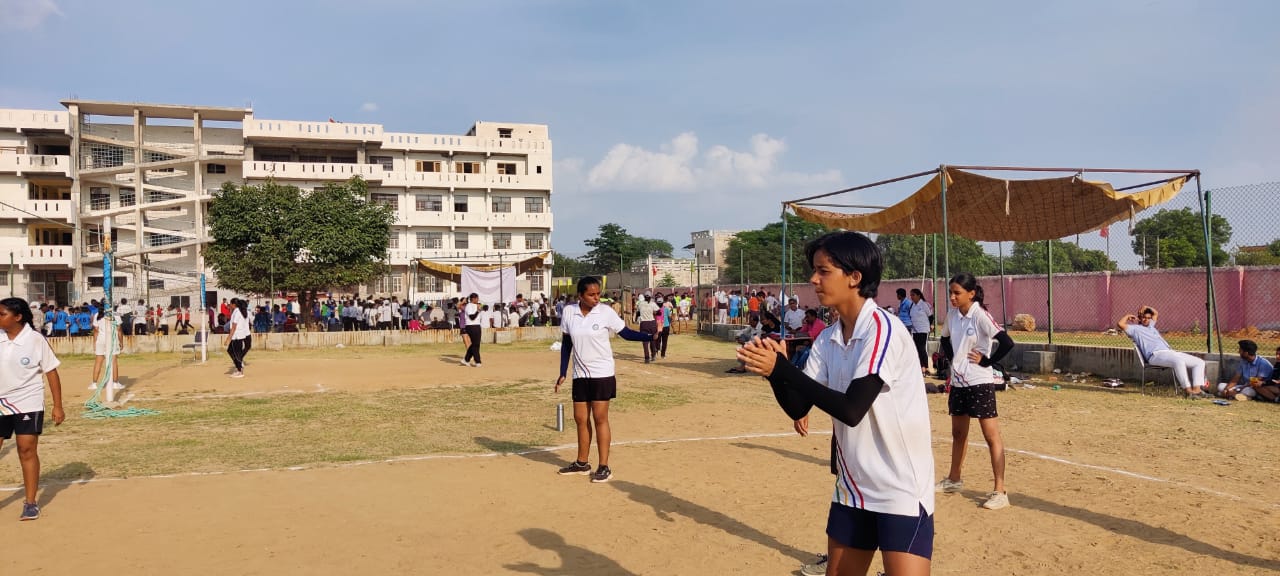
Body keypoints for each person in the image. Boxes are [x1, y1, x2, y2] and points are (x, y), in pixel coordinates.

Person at [737, 231, 934, 576]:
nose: (813, 279)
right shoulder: (828, 338)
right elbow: (798, 407)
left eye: (823, 271)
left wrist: (784, 370)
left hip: (899, 489)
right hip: (852, 488)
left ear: (855, 277)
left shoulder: (881, 330)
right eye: (814, 270)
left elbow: (851, 410)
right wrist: (774, 374)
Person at [555, 276, 655, 483]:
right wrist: (563, 372)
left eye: (598, 294)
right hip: (580, 375)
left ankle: (604, 466)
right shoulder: (569, 312)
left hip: (602, 374)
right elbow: (566, 344)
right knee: (580, 419)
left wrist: (649, 336)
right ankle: (582, 463)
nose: (596, 298)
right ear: (580, 295)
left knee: (600, 419)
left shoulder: (606, 312)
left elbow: (626, 333)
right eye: (591, 295)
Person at [936, 273, 1016, 511]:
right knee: (958, 433)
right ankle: (954, 479)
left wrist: (986, 362)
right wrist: (955, 362)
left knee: (991, 436)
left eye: (957, 293)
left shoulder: (980, 315)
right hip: (959, 384)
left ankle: (1000, 491)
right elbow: (944, 340)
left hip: (980, 383)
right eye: (950, 292)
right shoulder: (952, 315)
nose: (952, 297)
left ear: (971, 293)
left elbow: (1007, 342)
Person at [0, 297, 65, 521]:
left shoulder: (35, 340)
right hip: (1, 402)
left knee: (25, 449)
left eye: (2, 314)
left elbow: (52, 372)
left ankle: (30, 503)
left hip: (28, 401)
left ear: (17, 317)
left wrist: (58, 406)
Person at [1118, 306, 1208, 398]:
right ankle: (1188, 392)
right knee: (1178, 362)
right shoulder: (1134, 329)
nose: (1146, 320)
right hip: (1155, 355)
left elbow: (1156, 313)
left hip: (1169, 352)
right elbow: (1120, 324)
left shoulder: (1151, 326)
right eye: (1144, 317)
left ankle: (1197, 390)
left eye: (1148, 318)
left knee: (1199, 362)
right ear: (1140, 318)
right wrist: (1128, 316)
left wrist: (1146, 307)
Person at [90, 308, 123, 392]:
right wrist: (121, 341)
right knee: (114, 362)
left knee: (98, 362)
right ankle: (115, 383)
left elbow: (96, 331)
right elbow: (119, 330)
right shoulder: (115, 315)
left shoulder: (97, 315)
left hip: (101, 340)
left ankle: (94, 384)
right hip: (112, 340)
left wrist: (95, 342)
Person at [908, 289, 933, 376]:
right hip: (915, 330)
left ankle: (926, 368)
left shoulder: (924, 305)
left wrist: (929, 325)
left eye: (913, 295)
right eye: (911, 295)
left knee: (922, 349)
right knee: (917, 349)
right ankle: (920, 368)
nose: (911, 297)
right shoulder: (912, 306)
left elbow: (930, 316)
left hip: (923, 330)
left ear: (919, 295)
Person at [224, 298, 250, 378]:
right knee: (231, 351)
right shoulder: (237, 311)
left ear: (233, 304)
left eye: (230, 304)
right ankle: (239, 366)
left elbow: (234, 327)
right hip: (237, 335)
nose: (229, 305)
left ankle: (240, 371)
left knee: (236, 353)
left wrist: (228, 338)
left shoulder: (237, 312)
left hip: (237, 336)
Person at [635, 294, 659, 363]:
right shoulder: (653, 304)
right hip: (652, 323)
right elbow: (658, 312)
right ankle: (653, 355)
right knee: (652, 340)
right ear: (650, 297)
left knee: (645, 342)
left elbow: (638, 313)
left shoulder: (640, 304)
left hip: (644, 324)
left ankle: (647, 358)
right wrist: (654, 313)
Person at [460, 293, 482, 367]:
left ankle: (466, 359)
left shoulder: (477, 305)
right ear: (473, 299)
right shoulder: (468, 306)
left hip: (477, 325)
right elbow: (472, 317)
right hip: (471, 326)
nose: (478, 299)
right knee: (475, 344)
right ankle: (477, 361)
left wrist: (479, 309)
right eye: (477, 298)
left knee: (476, 344)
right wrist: (478, 311)